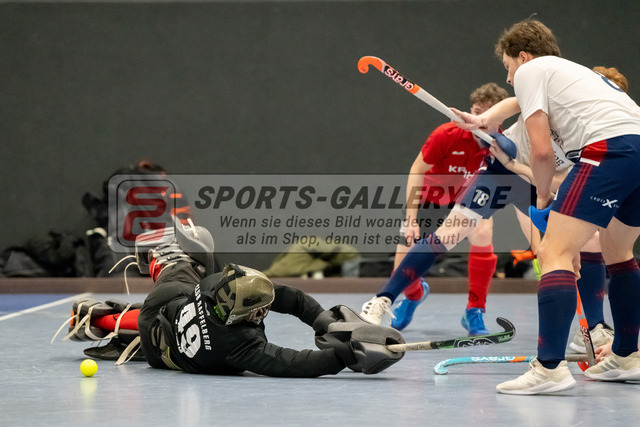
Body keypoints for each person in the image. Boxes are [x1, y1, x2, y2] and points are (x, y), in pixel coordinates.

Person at [455, 19, 640, 394]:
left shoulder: (531, 70)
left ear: (523, 57)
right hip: (635, 146)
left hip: (610, 149)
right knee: (618, 252)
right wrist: (490, 117)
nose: (509, 78)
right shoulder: (572, 74)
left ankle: (550, 368)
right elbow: (518, 103)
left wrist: (541, 197)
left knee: (554, 252)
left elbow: (541, 153)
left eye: (508, 67)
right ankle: (626, 355)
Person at [60, 217, 405, 377]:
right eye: (261, 312)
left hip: (163, 308)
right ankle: (112, 320)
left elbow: (288, 298)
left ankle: (158, 269)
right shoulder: (239, 347)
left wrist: (322, 321)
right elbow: (295, 363)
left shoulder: (217, 285)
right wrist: (343, 356)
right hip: (161, 354)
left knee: (191, 264)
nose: (265, 312)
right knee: (197, 262)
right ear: (244, 316)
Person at [388, 83, 509, 334]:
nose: (478, 119)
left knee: (483, 232)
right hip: (429, 199)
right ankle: (414, 294)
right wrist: (411, 219)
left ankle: (475, 310)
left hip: (467, 201)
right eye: (476, 111)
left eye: (486, 114)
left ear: (499, 118)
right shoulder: (446, 134)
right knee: (402, 272)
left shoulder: (504, 145)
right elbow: (417, 170)